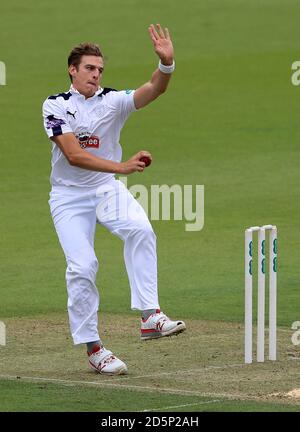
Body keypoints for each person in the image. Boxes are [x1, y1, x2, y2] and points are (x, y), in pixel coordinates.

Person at [42, 24, 186, 375]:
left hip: (106, 190)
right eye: (89, 68)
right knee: (82, 266)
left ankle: (150, 315)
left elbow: (153, 89)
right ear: (72, 70)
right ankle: (94, 348)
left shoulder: (113, 100)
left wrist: (166, 64)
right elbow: (74, 155)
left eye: (100, 70)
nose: (96, 74)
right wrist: (121, 166)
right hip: (69, 198)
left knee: (140, 229)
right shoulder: (55, 105)